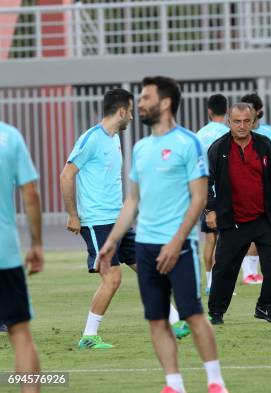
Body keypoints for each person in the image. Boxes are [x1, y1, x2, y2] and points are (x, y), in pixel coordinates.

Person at [98, 76, 228, 393]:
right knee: (156, 320)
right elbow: (133, 200)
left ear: (165, 103)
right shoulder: (141, 148)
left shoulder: (188, 143)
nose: (139, 103)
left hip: (179, 248)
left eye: (145, 98)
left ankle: (215, 382)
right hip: (145, 246)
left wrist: (177, 240)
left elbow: (198, 198)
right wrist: (112, 241)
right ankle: (174, 384)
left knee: (194, 315)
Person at [60, 89, 189, 349]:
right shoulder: (92, 139)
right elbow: (66, 175)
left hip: (117, 221)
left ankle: (175, 322)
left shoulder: (114, 138)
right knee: (113, 278)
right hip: (97, 222)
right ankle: (89, 336)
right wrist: (73, 215)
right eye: (130, 110)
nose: (132, 115)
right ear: (121, 111)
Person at [206, 102, 271, 325]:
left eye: (246, 121)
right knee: (224, 269)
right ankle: (216, 312)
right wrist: (211, 208)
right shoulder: (218, 149)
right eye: (237, 121)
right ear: (229, 122)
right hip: (233, 221)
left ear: (253, 122)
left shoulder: (263, 145)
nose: (242, 126)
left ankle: (264, 306)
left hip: (264, 218)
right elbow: (206, 181)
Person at [0, 121, 44, 393]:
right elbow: (30, 193)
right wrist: (37, 243)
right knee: (20, 333)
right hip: (4, 252)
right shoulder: (9, 136)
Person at [236, 92, 271, 285]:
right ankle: (249, 271)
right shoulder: (236, 133)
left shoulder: (268, 132)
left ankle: (252, 270)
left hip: (264, 188)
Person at [196, 94, 230, 296]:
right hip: (225, 193)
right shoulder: (229, 133)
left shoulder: (199, 135)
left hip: (205, 193)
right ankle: (218, 283)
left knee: (209, 239)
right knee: (224, 240)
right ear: (226, 111)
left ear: (209, 110)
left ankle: (209, 282)